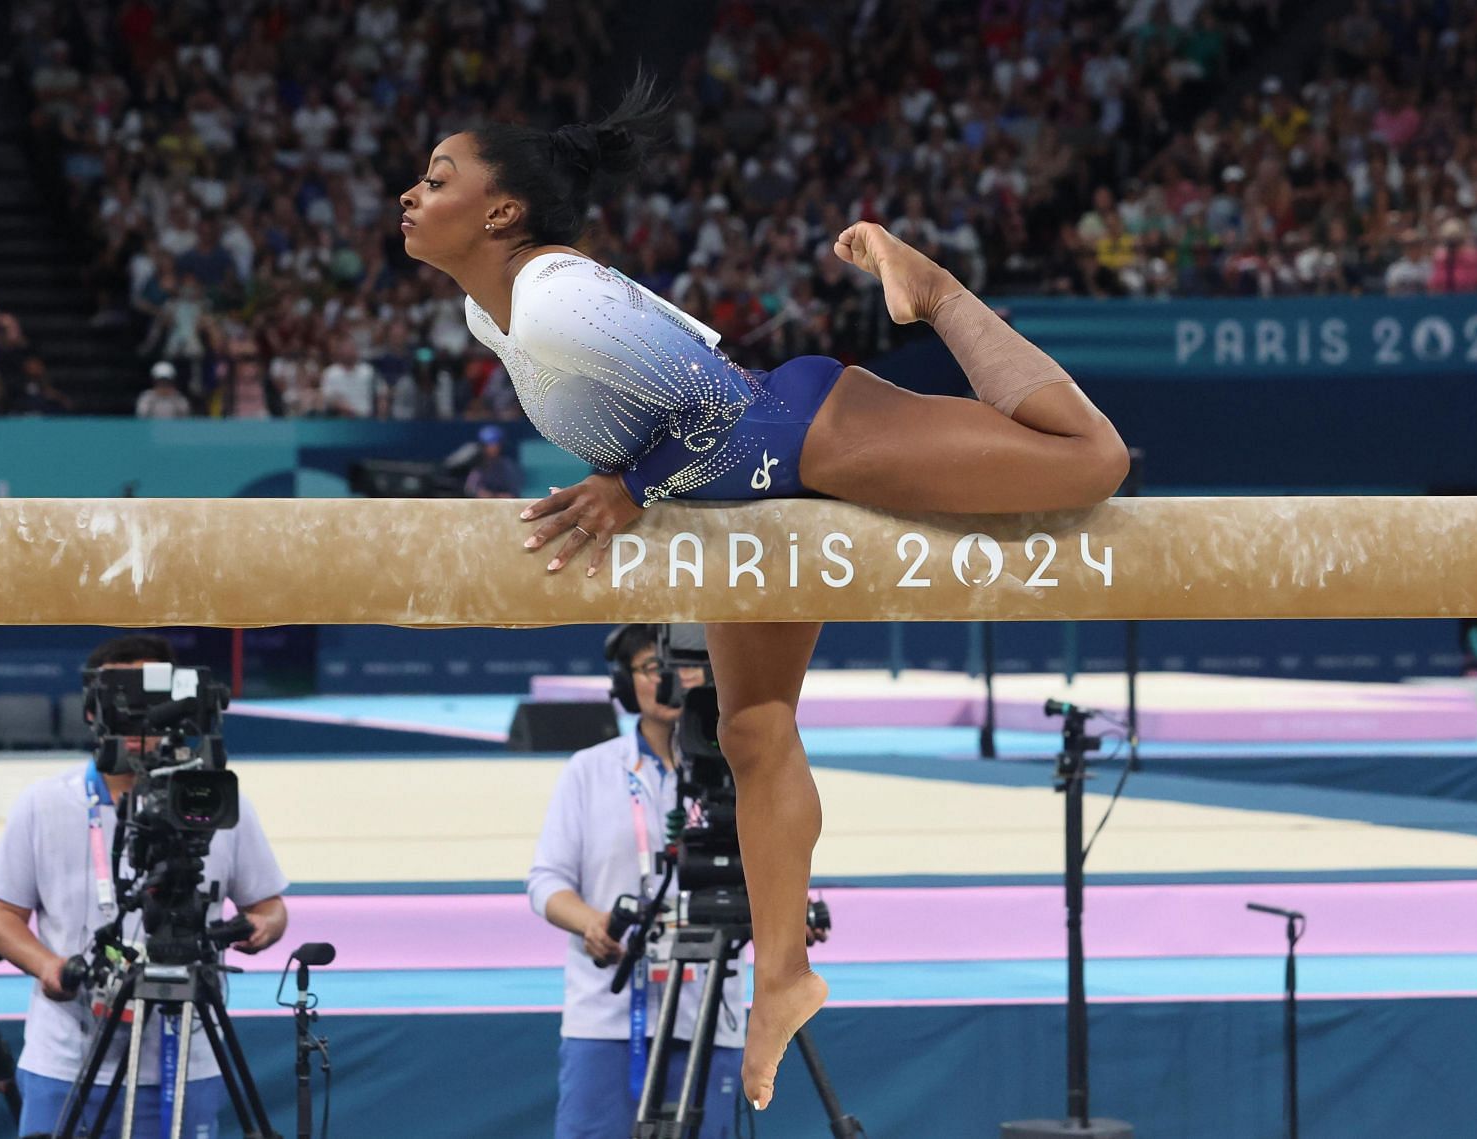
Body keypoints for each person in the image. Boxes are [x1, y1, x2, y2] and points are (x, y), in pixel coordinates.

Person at [398, 77, 1128, 1109]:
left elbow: (721, 400)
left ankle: (937, 290)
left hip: (807, 436)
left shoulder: (555, 299)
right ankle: (784, 972)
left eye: (437, 178)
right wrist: (642, 481)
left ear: (503, 210)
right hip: (741, 506)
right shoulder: (493, 309)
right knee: (754, 730)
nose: (411, 194)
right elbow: (687, 346)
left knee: (1091, 460)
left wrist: (630, 485)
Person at [0, 634, 290, 1139]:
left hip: (187, 1056)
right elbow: (1, 917)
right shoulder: (43, 803)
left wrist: (264, 925)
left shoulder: (218, 802)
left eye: (158, 705)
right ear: (93, 712)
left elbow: (270, 906)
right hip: (68, 1057)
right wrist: (48, 966)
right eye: (128, 706)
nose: (145, 724)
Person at [529, 625, 816, 1137]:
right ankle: (784, 975)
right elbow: (546, 881)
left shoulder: (737, 773)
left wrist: (785, 920)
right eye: (650, 668)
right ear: (623, 683)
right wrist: (591, 921)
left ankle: (785, 969)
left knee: (758, 733)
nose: (670, 678)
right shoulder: (589, 770)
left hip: (712, 1007)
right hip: (609, 1015)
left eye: (682, 666)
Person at [465, 424, 524, 498]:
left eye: (496, 445)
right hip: (481, 504)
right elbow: (470, 488)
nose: (493, 448)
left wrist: (498, 496)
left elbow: (514, 491)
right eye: (489, 445)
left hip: (504, 504)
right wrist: (481, 493)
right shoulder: (478, 465)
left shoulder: (507, 465)